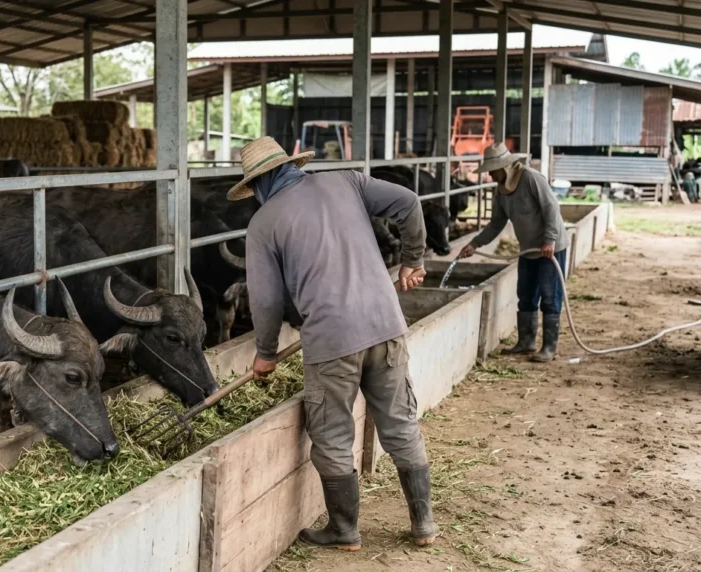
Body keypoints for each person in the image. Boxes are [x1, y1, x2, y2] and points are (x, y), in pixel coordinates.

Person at [230, 136, 437, 551]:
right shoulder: (347, 181)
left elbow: (266, 300)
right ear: (290, 166)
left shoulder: (264, 223)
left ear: (259, 182)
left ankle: (344, 529)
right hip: (387, 326)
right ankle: (424, 525)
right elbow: (409, 202)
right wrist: (413, 260)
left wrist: (265, 353)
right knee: (400, 424)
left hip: (332, 339)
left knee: (333, 434)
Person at [459, 143, 570, 362]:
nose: (490, 175)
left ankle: (549, 347)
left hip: (549, 249)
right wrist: (475, 244)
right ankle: (526, 342)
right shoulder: (501, 190)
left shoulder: (531, 179)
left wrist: (549, 239)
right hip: (528, 249)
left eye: (492, 171)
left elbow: (551, 209)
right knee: (525, 295)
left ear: (504, 167)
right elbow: (496, 223)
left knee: (550, 296)